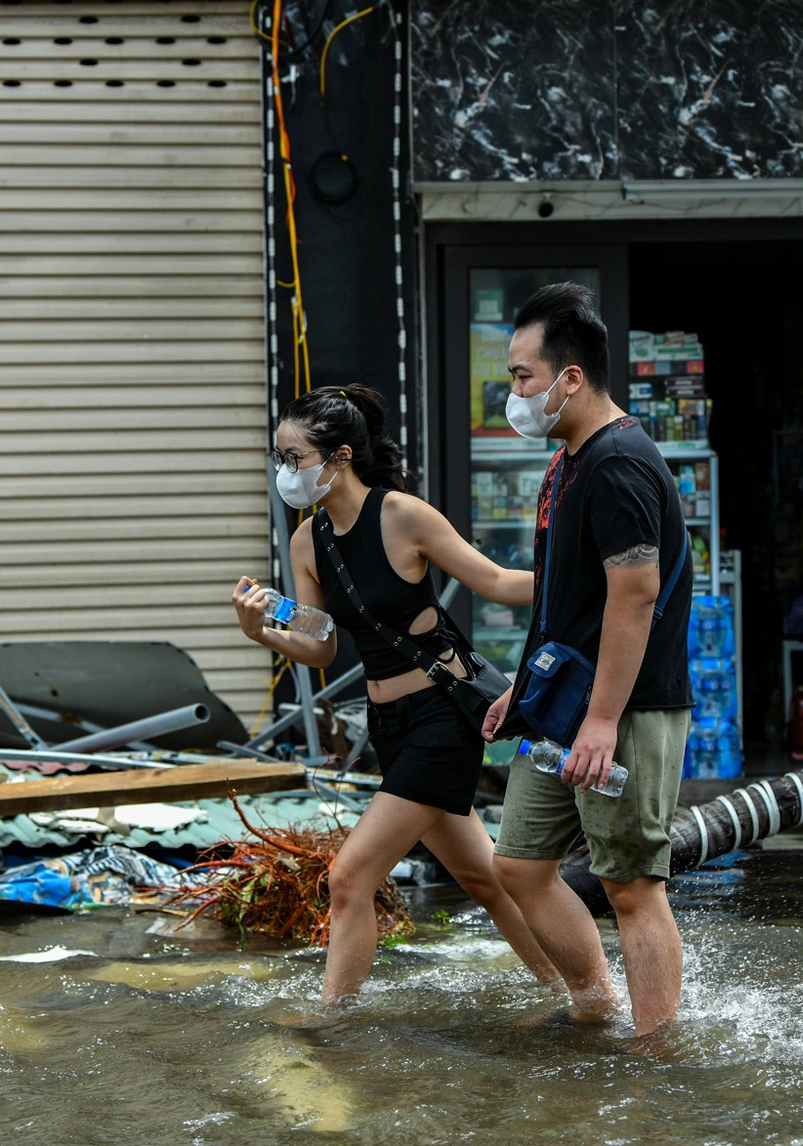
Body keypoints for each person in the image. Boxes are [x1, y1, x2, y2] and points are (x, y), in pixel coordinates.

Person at [231, 383, 561, 1004]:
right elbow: (323, 643)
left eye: (294, 458)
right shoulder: (308, 541)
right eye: (279, 458)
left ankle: (332, 1022)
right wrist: (262, 633)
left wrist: (587, 578)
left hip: (443, 714)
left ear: (340, 457)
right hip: (389, 725)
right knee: (484, 877)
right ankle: (576, 988)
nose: (285, 472)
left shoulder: (403, 515)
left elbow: (494, 581)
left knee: (349, 876)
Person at [479, 283, 695, 1037]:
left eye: (522, 376)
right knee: (520, 864)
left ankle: (657, 1053)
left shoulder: (619, 463)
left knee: (630, 881)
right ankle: (596, 1003)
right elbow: (563, 597)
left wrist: (601, 720)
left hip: (624, 709)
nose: (513, 393)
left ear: (570, 377)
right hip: (561, 707)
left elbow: (633, 596)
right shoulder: (567, 462)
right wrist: (520, 686)